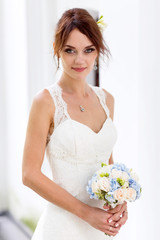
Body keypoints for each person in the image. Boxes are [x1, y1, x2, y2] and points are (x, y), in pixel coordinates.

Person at [22, 8, 128, 240]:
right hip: (63, 227)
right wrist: (86, 213)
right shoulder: (45, 101)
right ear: (56, 49)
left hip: (100, 225)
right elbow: (29, 174)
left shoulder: (106, 99)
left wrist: (120, 200)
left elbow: (106, 163)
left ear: (97, 51)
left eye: (88, 50)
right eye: (70, 50)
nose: (80, 60)